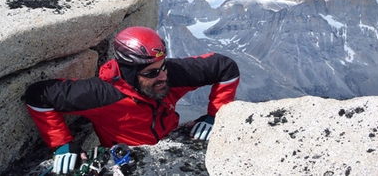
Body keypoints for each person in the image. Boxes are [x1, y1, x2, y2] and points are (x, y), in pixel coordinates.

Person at [24, 26, 240, 174]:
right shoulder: (101, 94)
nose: (163, 77)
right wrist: (62, 143)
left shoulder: (172, 73)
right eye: (151, 73)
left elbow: (225, 67)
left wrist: (216, 115)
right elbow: (39, 96)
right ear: (129, 73)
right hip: (125, 159)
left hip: (172, 142)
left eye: (163, 66)